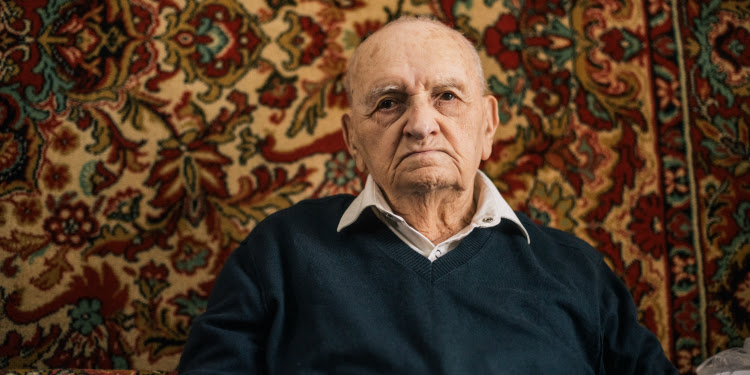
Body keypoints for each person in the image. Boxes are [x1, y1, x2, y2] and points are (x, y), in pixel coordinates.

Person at [178, 16, 678, 374]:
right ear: (352, 138)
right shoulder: (279, 251)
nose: (421, 125)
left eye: (447, 97)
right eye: (390, 103)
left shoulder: (577, 271)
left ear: (488, 124)